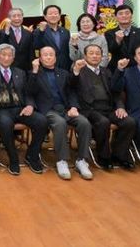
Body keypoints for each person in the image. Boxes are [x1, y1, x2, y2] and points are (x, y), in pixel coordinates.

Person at [0, 45, 47, 175]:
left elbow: (28, 92)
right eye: (3, 55)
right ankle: (13, 158)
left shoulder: (20, 72)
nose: (6, 58)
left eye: (9, 55)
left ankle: (32, 155)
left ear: (13, 58)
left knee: (42, 121)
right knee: (5, 123)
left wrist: (30, 105)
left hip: (19, 108)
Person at [27, 46, 94, 180]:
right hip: (48, 110)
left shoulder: (63, 73)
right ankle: (62, 160)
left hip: (65, 109)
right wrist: (34, 71)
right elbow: (29, 91)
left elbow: (72, 91)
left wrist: (74, 106)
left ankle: (81, 160)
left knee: (84, 123)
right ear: (40, 58)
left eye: (51, 54)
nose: (48, 57)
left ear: (55, 58)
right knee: (60, 123)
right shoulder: (33, 73)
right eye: (45, 55)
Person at [70, 45, 136, 170]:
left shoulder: (106, 71)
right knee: (103, 122)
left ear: (102, 56)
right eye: (91, 53)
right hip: (90, 109)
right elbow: (71, 86)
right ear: (85, 56)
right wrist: (76, 71)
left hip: (108, 108)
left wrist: (120, 107)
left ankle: (120, 155)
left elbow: (116, 92)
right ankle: (104, 157)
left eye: (97, 53)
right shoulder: (79, 70)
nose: (95, 56)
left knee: (129, 122)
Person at [105, 4, 140, 72]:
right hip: (116, 69)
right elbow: (110, 50)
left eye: (127, 13)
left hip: (137, 68)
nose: (124, 16)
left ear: (131, 16)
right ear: (115, 17)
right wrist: (117, 40)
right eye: (120, 14)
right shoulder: (109, 33)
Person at [33, 5, 71, 70]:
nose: (53, 15)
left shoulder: (65, 31)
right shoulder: (38, 31)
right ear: (45, 17)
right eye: (50, 14)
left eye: (56, 13)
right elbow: (36, 46)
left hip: (65, 66)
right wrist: (41, 32)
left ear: (59, 16)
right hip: (47, 66)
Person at [0, 7, 35, 72]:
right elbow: (1, 48)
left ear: (22, 17)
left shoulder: (28, 34)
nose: (17, 18)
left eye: (19, 16)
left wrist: (32, 69)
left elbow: (31, 53)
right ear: (9, 18)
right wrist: (7, 31)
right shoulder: (2, 33)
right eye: (14, 16)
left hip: (25, 70)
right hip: (8, 69)